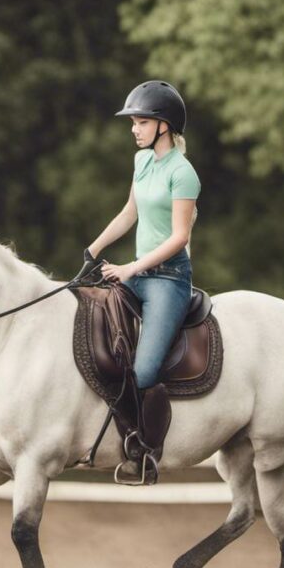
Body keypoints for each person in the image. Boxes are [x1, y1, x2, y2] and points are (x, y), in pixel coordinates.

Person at [79, 80, 200, 485]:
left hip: (168, 279)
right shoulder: (142, 162)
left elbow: (179, 237)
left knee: (145, 370)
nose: (134, 128)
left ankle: (147, 453)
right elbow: (129, 213)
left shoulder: (184, 174)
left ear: (164, 126)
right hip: (135, 274)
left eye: (142, 121)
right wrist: (93, 250)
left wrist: (131, 268)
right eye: (133, 122)